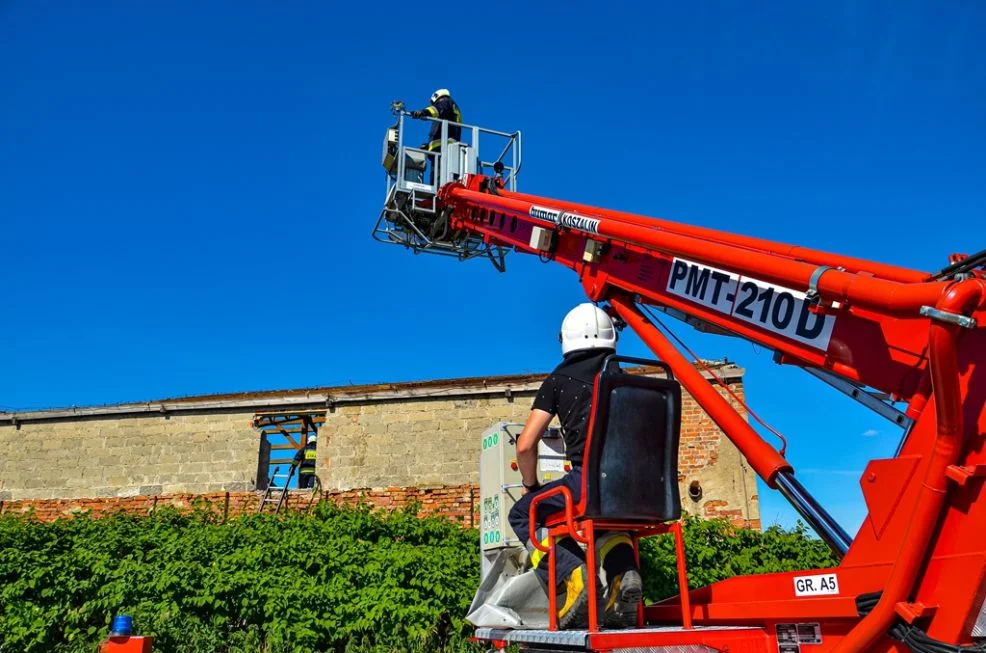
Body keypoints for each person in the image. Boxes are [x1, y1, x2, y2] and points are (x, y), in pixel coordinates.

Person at [506, 303, 642, 630]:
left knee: (524, 513)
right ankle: (624, 572)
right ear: (611, 337)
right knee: (606, 519)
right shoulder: (625, 377)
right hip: (635, 488)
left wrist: (530, 484)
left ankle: (570, 570)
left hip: (588, 481)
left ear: (566, 339)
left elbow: (525, 444)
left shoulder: (558, 380)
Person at [410, 89, 463, 185]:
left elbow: (436, 109)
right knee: (437, 175)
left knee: (439, 178)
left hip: (444, 148)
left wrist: (423, 112)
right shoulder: (452, 107)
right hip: (443, 147)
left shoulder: (445, 102)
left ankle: (438, 194)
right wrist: (428, 146)